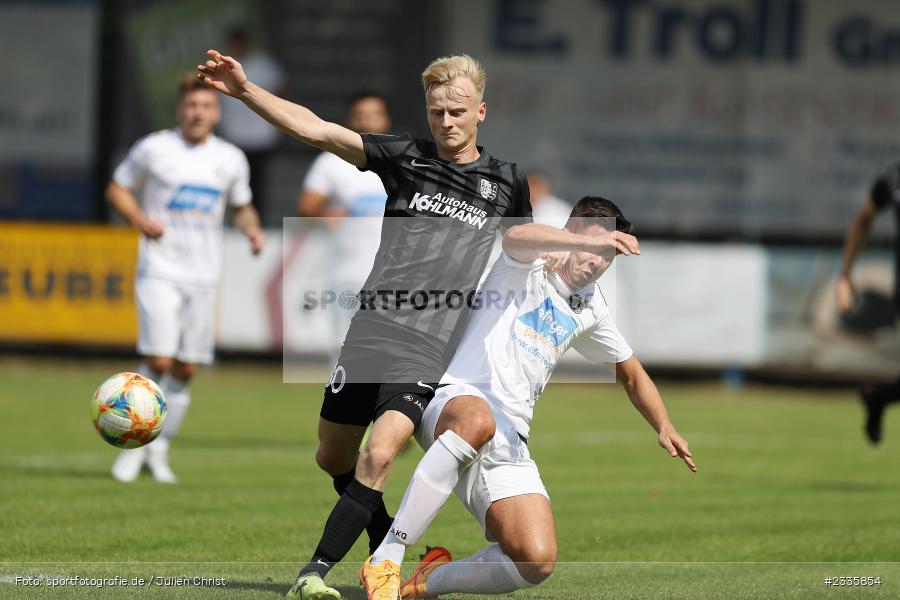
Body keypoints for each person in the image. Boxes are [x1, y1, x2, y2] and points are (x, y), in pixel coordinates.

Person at [197, 52, 532, 600]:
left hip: (428, 345)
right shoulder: (405, 156)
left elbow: (522, 254)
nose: (446, 122)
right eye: (436, 112)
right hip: (371, 333)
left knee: (380, 455)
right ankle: (386, 553)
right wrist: (244, 91)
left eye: (457, 111)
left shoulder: (508, 184)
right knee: (333, 456)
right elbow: (317, 129)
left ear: (481, 112)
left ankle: (314, 575)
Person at [362, 197, 697, 599]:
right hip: (455, 401)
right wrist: (577, 242)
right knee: (476, 420)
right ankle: (387, 557)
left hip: (509, 440)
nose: (596, 262)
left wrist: (664, 425)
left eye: (608, 256)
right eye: (592, 248)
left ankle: (425, 584)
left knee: (535, 561)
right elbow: (517, 235)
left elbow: (632, 374)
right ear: (569, 234)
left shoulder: (590, 308)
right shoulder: (528, 263)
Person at [105, 74, 266, 483]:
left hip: (203, 274)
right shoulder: (155, 148)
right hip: (159, 268)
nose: (199, 113)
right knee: (159, 359)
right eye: (192, 105)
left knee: (185, 369)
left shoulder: (230, 158)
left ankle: (157, 449)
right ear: (181, 109)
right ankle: (133, 446)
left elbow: (242, 205)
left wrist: (251, 228)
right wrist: (141, 220)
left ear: (217, 112)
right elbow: (117, 189)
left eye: (207, 106)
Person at [297, 92, 391, 349]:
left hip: (394, 274)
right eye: (361, 115)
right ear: (351, 119)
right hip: (347, 271)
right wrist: (325, 215)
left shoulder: (401, 163)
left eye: (374, 115)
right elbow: (306, 207)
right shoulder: (332, 162)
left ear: (386, 119)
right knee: (345, 347)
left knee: (386, 349)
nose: (367, 122)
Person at [836, 169, 900, 444]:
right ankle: (879, 397)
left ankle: (879, 396)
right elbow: (863, 221)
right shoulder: (892, 180)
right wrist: (845, 276)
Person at [218, 26, 287, 216]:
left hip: (260, 134)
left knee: (256, 180)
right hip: (234, 134)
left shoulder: (263, 64)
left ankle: (257, 218)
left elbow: (280, 94)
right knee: (232, 178)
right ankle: (235, 218)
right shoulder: (223, 66)